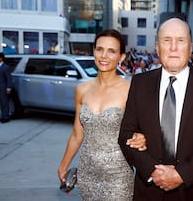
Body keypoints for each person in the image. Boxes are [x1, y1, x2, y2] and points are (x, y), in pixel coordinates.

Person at [118, 17, 193, 201]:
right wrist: (152, 171)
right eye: (167, 40)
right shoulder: (139, 83)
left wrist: (181, 175)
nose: (173, 47)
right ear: (157, 47)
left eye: (180, 40)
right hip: (149, 191)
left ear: (190, 47)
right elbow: (125, 134)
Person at [57, 29, 147, 200]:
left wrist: (142, 137)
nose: (104, 56)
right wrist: (64, 165)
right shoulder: (82, 89)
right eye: (100, 49)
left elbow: (145, 128)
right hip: (87, 172)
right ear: (94, 51)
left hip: (118, 174)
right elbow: (77, 134)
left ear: (121, 57)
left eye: (111, 51)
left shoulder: (130, 89)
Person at [0, 52, 12, 123]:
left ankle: (6, 117)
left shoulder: (5, 67)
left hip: (4, 87)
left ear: (1, 58)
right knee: (1, 102)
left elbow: (9, 78)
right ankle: (2, 116)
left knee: (5, 102)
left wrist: (8, 88)